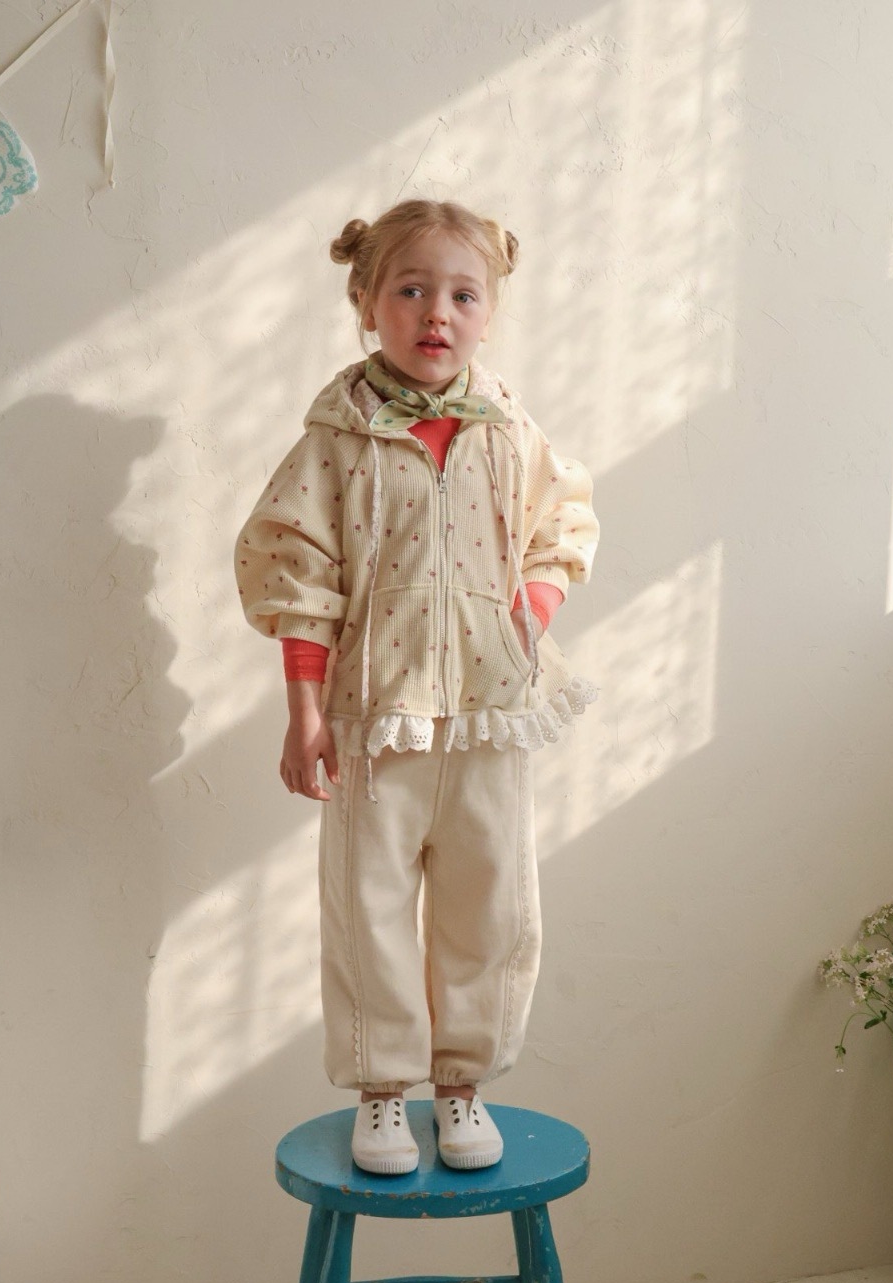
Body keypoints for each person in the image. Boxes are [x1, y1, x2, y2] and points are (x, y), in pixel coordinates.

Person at [235, 199, 598, 1176]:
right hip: (375, 715)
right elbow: (296, 573)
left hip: (489, 714)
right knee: (370, 909)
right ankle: (383, 1092)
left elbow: (562, 522)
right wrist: (304, 713)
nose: (437, 312)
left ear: (489, 313)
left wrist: (533, 606)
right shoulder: (334, 442)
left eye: (463, 295)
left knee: (492, 906)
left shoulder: (508, 429)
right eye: (411, 290)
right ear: (366, 302)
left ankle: (463, 1085)